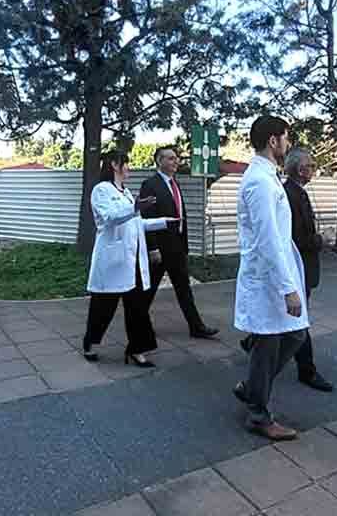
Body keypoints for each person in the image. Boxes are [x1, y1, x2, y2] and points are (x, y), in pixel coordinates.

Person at [232, 116, 310, 441]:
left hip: (275, 274)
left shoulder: (268, 178)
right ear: (274, 140)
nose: (287, 144)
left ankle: (252, 388)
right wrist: (287, 288)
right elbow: (267, 240)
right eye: (285, 138)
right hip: (267, 279)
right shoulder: (259, 182)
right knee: (272, 342)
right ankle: (258, 414)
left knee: (294, 336)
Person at [240, 147, 333, 392]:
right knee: (294, 330)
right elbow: (279, 239)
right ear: (302, 170)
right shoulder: (277, 188)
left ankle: (254, 377)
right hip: (288, 270)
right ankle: (303, 372)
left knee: (287, 331)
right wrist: (320, 240)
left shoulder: (281, 186)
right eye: (311, 166)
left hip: (289, 269)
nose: (314, 170)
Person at [82, 150, 176, 368]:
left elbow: (135, 223)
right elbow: (109, 218)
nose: (129, 167)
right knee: (103, 307)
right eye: (127, 163)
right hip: (113, 261)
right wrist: (135, 207)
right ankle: (90, 343)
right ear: (115, 164)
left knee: (138, 307)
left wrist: (163, 221)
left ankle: (137, 349)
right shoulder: (101, 190)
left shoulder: (126, 192)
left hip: (132, 260)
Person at [138, 146, 220, 339]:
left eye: (176, 159)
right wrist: (153, 248)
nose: (176, 162)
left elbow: (178, 215)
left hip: (177, 248)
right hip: (160, 249)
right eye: (170, 159)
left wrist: (184, 246)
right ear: (159, 161)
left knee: (184, 290)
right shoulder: (150, 184)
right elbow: (146, 218)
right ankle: (138, 325)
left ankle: (196, 327)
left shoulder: (174, 183)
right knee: (147, 293)